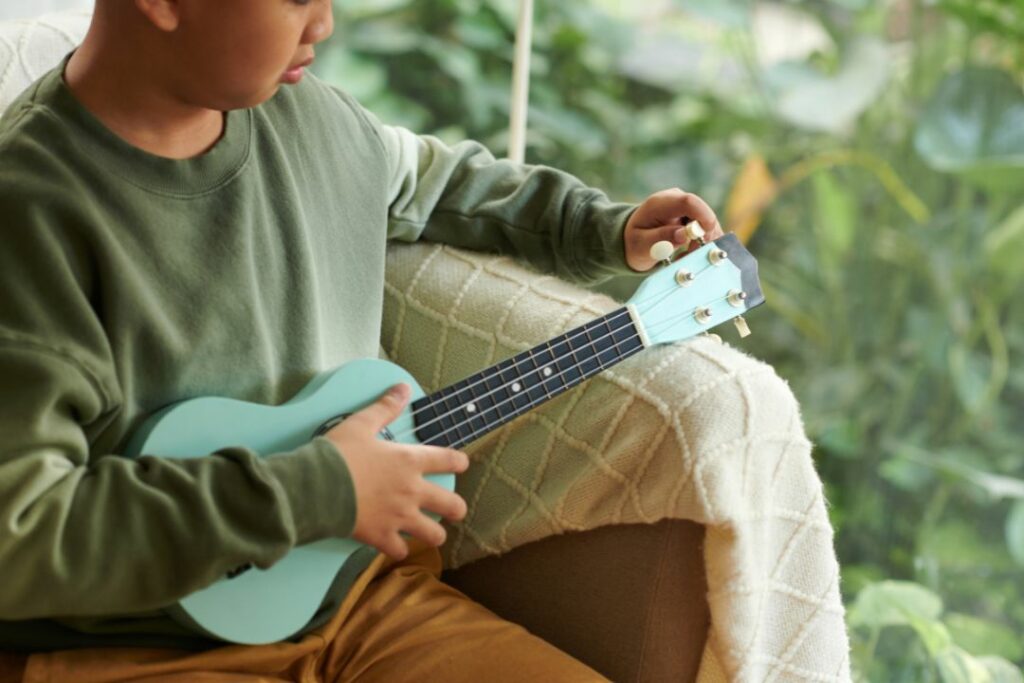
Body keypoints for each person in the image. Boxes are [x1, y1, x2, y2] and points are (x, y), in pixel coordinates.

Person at [0, 0, 724, 680]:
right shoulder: (31, 215)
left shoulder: (317, 123)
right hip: (129, 646)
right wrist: (316, 490)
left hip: (360, 595)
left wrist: (598, 226)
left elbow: (440, 185)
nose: (326, 21)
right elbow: (21, 533)